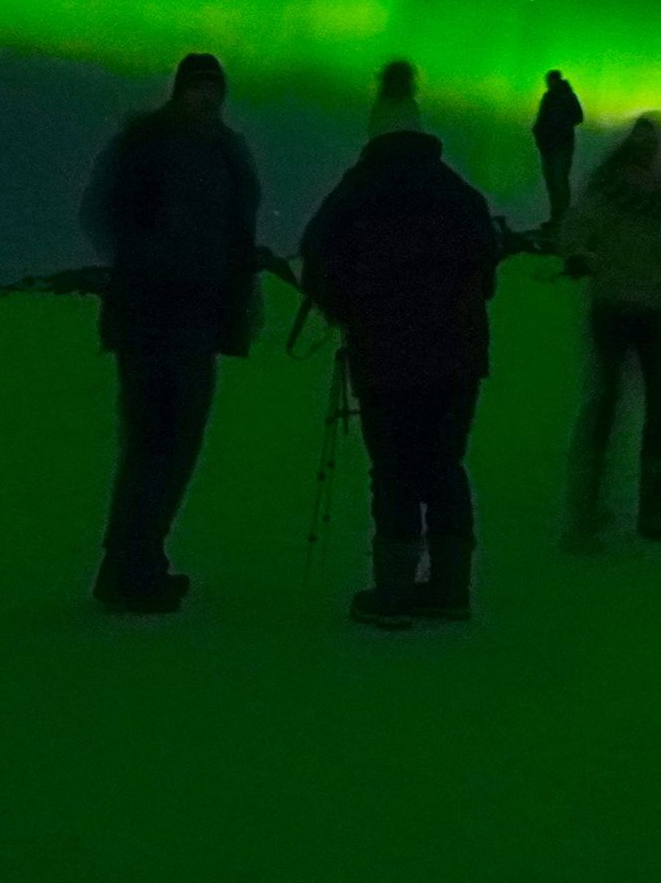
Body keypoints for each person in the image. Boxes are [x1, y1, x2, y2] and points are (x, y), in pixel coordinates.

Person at [301, 62, 502, 627]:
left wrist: (348, 311)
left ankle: (392, 591)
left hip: (384, 353)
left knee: (392, 467)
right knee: (443, 464)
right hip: (458, 355)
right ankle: (449, 588)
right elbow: (486, 270)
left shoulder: (355, 191)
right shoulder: (459, 192)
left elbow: (317, 258)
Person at [80, 52, 263, 613]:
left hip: (196, 318)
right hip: (153, 315)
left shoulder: (227, 153)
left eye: (214, 88)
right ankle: (128, 566)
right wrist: (158, 262)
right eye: (198, 87)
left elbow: (238, 230)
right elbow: (108, 213)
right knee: (151, 439)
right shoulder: (149, 143)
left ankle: (142, 559)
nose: (206, 97)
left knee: (176, 442)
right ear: (181, 90)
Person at [558, 116, 661, 546]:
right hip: (650, 311)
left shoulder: (609, 185)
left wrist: (587, 258)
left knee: (607, 406)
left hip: (616, 307)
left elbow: (571, 235)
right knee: (658, 407)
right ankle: (650, 510)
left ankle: (589, 509)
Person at [533, 69, 586, 231]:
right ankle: (558, 217)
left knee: (558, 181)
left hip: (560, 146)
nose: (549, 84)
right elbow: (542, 119)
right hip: (550, 146)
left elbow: (578, 117)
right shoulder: (549, 97)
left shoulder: (567, 97)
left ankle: (562, 219)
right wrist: (538, 131)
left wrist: (557, 125)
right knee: (553, 182)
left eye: (550, 81)